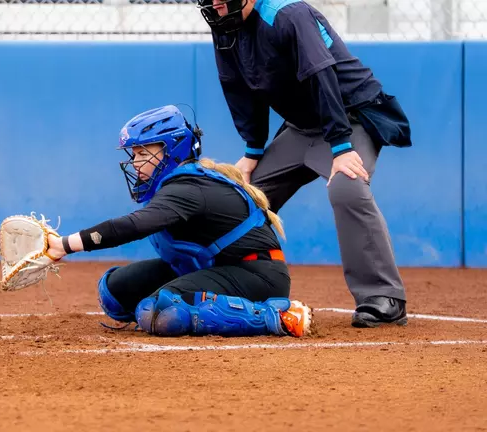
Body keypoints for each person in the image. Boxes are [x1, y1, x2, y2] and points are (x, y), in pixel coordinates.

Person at [195, 0, 412, 327]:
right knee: (242, 199)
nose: (215, 5)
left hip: (351, 118)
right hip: (301, 127)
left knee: (346, 189)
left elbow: (320, 75)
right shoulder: (225, 23)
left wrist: (341, 146)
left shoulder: (289, 15)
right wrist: (253, 151)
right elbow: (238, 87)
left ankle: (384, 297)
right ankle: (229, 287)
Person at [46, 104, 312, 338]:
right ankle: (197, 308)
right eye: (134, 154)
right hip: (211, 268)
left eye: (143, 154)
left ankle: (277, 317)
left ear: (172, 151)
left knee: (160, 310)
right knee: (114, 292)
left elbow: (135, 225)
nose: (136, 163)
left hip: (256, 276)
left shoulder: (187, 186)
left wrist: (63, 245)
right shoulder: (178, 183)